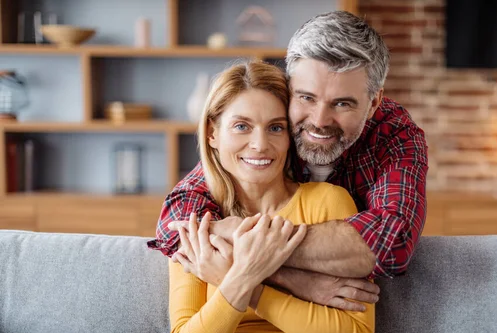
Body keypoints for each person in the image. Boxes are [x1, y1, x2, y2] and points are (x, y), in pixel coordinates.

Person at [148, 10, 428, 312]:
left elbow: (392, 241)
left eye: (342, 103)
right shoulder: (270, 118)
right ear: (289, 85)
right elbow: (175, 227)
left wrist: (236, 233)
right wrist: (295, 281)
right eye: (306, 98)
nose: (319, 121)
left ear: (374, 102)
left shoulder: (395, 134)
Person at [169, 60, 374, 333]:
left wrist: (243, 282)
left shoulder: (328, 203)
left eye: (275, 128)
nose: (260, 144)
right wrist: (243, 278)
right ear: (211, 133)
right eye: (241, 126)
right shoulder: (198, 224)